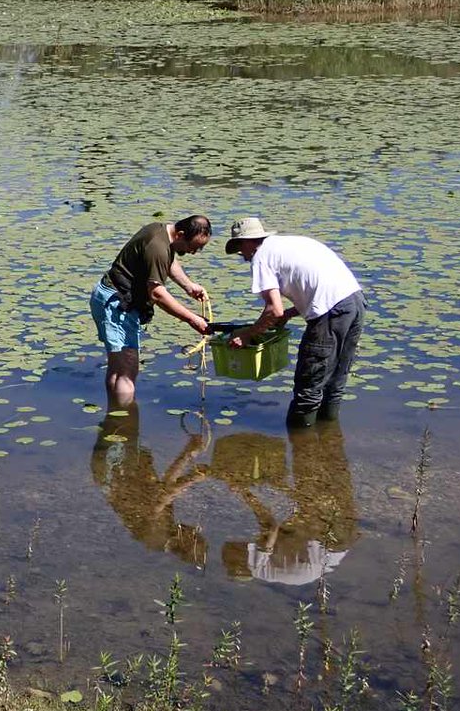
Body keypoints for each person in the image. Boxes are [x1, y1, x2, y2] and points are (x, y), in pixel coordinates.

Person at [225, 217, 366, 428]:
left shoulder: (261, 257)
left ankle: (301, 445)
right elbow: (312, 286)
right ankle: (328, 444)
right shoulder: (290, 243)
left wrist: (246, 335)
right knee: (335, 383)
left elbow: (274, 308)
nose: (242, 256)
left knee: (308, 385)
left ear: (248, 242)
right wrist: (289, 315)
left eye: (239, 248)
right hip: (355, 302)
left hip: (332, 313)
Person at [90, 216, 212, 406]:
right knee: (127, 371)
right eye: (193, 246)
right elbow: (157, 294)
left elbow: (167, 260)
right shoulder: (157, 245)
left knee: (118, 368)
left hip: (111, 297)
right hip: (116, 303)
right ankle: (125, 424)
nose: (194, 252)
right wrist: (192, 319)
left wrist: (188, 285)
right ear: (180, 234)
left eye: (199, 249)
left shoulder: (162, 232)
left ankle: (114, 418)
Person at [215, 425, 359, 585]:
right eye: (234, 549)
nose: (240, 544)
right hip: (331, 539)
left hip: (342, 540)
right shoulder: (256, 567)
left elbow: (282, 526)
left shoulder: (269, 569)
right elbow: (271, 526)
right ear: (239, 563)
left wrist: (279, 487)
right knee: (313, 471)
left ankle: (327, 432)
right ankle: (312, 430)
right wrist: (244, 493)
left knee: (329, 474)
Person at [90, 403, 209, 568]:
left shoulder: (157, 535)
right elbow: (168, 484)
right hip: (117, 466)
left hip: (114, 465)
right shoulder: (165, 534)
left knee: (122, 404)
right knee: (122, 403)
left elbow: (166, 493)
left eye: (195, 534)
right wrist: (189, 454)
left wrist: (192, 476)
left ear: (186, 541)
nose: (195, 528)